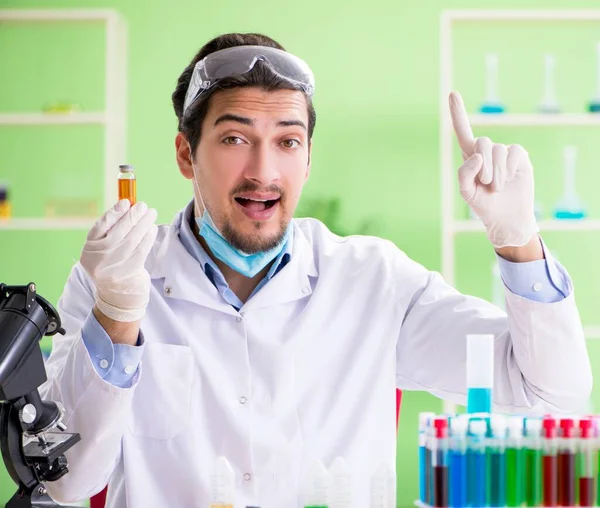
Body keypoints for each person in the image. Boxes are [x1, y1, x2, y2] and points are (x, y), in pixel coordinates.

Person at [41, 33, 591, 508]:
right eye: (235, 139)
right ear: (186, 153)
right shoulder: (112, 278)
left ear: (308, 158)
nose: (264, 171)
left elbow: (548, 393)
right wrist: (115, 316)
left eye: (287, 142)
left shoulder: (375, 280)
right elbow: (67, 483)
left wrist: (520, 241)